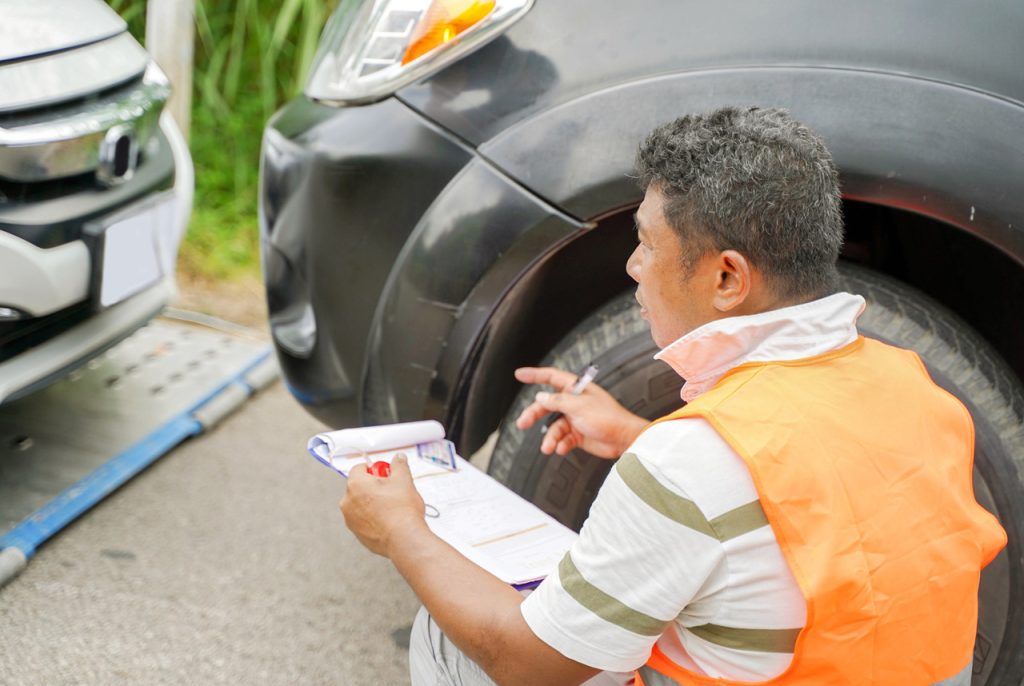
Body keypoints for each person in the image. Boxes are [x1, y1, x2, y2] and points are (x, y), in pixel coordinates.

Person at [340, 107, 1007, 685]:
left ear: (726, 277)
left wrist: (400, 530)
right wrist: (638, 435)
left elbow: (526, 665)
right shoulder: (915, 386)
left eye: (647, 243)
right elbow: (822, 498)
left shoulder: (688, 465)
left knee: (450, 629)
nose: (632, 267)